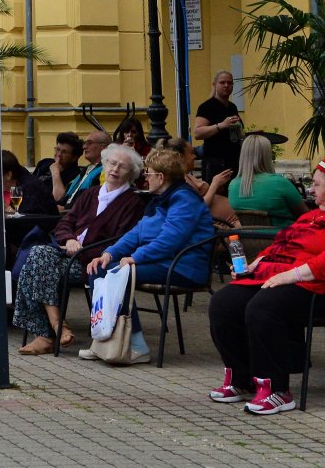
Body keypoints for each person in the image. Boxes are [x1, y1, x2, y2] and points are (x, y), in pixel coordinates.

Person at [206, 151, 325, 414]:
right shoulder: (310, 215)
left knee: (264, 307)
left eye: (317, 184)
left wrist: (291, 275)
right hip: (290, 281)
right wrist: (256, 265)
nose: (311, 189)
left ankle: (276, 389)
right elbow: (281, 245)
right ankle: (241, 378)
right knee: (224, 303)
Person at [86, 145, 215, 364]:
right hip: (164, 262)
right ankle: (105, 341)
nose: (146, 178)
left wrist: (136, 258)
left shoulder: (184, 199)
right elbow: (137, 232)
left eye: (149, 173)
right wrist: (110, 252)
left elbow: (169, 241)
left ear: (161, 177)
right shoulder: (161, 199)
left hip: (183, 266)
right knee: (100, 267)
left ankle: (137, 345)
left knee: (118, 273)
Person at [14, 142, 147, 353]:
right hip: (68, 253)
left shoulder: (132, 203)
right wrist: (68, 240)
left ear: (131, 173)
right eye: (112, 163)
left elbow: (121, 241)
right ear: (104, 164)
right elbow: (65, 223)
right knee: (37, 254)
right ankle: (58, 327)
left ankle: (46, 334)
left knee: (36, 266)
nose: (114, 169)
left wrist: (83, 251)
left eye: (122, 166)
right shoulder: (90, 194)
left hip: (92, 263)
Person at [208, 134, 307, 225]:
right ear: (267, 155)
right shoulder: (280, 182)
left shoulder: (233, 185)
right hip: (283, 240)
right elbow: (305, 215)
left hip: (249, 240)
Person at [18, 132, 86, 219]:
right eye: (57, 149)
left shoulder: (76, 175)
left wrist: (55, 172)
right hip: (27, 207)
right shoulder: (44, 163)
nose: (59, 154)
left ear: (74, 157)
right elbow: (30, 184)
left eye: (64, 152)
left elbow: (57, 198)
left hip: (46, 216)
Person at [193, 70, 243, 183]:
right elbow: (198, 133)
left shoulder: (232, 107)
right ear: (215, 84)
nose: (226, 85)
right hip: (215, 163)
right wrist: (221, 125)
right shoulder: (206, 107)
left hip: (234, 161)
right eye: (222, 82)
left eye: (230, 83)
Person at [65, 130, 112, 202]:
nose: (84, 147)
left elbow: (93, 202)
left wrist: (65, 208)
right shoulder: (86, 170)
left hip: (76, 211)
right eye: (84, 143)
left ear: (104, 147)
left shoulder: (107, 171)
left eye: (89, 143)